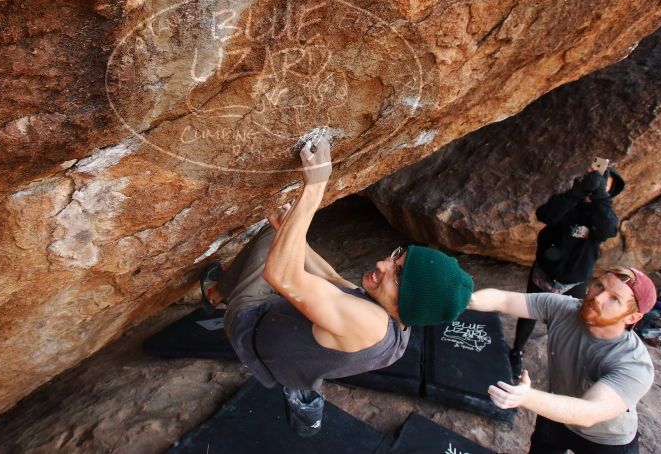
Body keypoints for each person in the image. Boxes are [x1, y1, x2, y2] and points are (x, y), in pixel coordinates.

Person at [201, 136, 474, 435]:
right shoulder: (397, 322)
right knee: (280, 236)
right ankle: (222, 299)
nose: (383, 265)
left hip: (250, 327)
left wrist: (315, 188)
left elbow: (281, 276)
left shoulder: (371, 324)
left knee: (275, 244)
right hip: (284, 343)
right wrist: (290, 230)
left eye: (396, 276)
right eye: (397, 257)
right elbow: (331, 277)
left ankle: (218, 295)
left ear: (408, 303)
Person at [469, 266, 656, 453]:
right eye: (599, 285)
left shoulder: (633, 364)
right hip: (556, 415)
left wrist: (526, 397)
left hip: (606, 439)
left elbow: (589, 412)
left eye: (614, 298)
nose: (598, 297)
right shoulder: (564, 308)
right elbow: (505, 300)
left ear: (633, 316)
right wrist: (466, 299)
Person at [510, 166, 625, 377]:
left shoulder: (602, 213)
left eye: (603, 188)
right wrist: (577, 193)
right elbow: (545, 215)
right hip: (545, 271)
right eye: (595, 184)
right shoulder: (569, 202)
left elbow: (608, 229)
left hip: (575, 278)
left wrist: (599, 197)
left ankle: (569, 362)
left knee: (573, 320)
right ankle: (516, 351)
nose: (596, 190)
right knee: (529, 313)